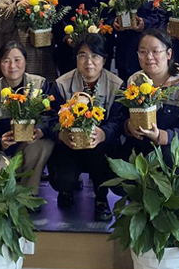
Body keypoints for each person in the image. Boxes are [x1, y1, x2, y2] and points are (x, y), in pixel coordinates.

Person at [47, 34, 126, 221]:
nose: (89, 62)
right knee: (62, 178)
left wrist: (103, 134)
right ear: (76, 59)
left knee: (101, 154)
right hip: (69, 146)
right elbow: (49, 118)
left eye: (95, 56)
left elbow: (119, 120)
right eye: (82, 56)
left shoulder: (117, 85)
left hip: (100, 147)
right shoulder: (61, 84)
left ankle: (101, 199)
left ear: (104, 60)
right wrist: (61, 135)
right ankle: (67, 189)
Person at [0, 41, 54, 192]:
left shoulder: (39, 85)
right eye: (6, 61)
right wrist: (0, 143)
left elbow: (50, 117)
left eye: (17, 60)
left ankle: (29, 194)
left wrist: (40, 130)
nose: (12, 66)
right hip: (2, 155)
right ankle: (4, 196)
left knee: (44, 144)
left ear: (25, 61)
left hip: (28, 148)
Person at [124, 29, 179, 159]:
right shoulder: (134, 81)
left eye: (155, 51)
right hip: (139, 147)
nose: (149, 57)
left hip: (173, 152)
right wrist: (129, 127)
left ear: (169, 54)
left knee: (168, 154)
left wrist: (160, 136)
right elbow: (122, 117)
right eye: (143, 52)